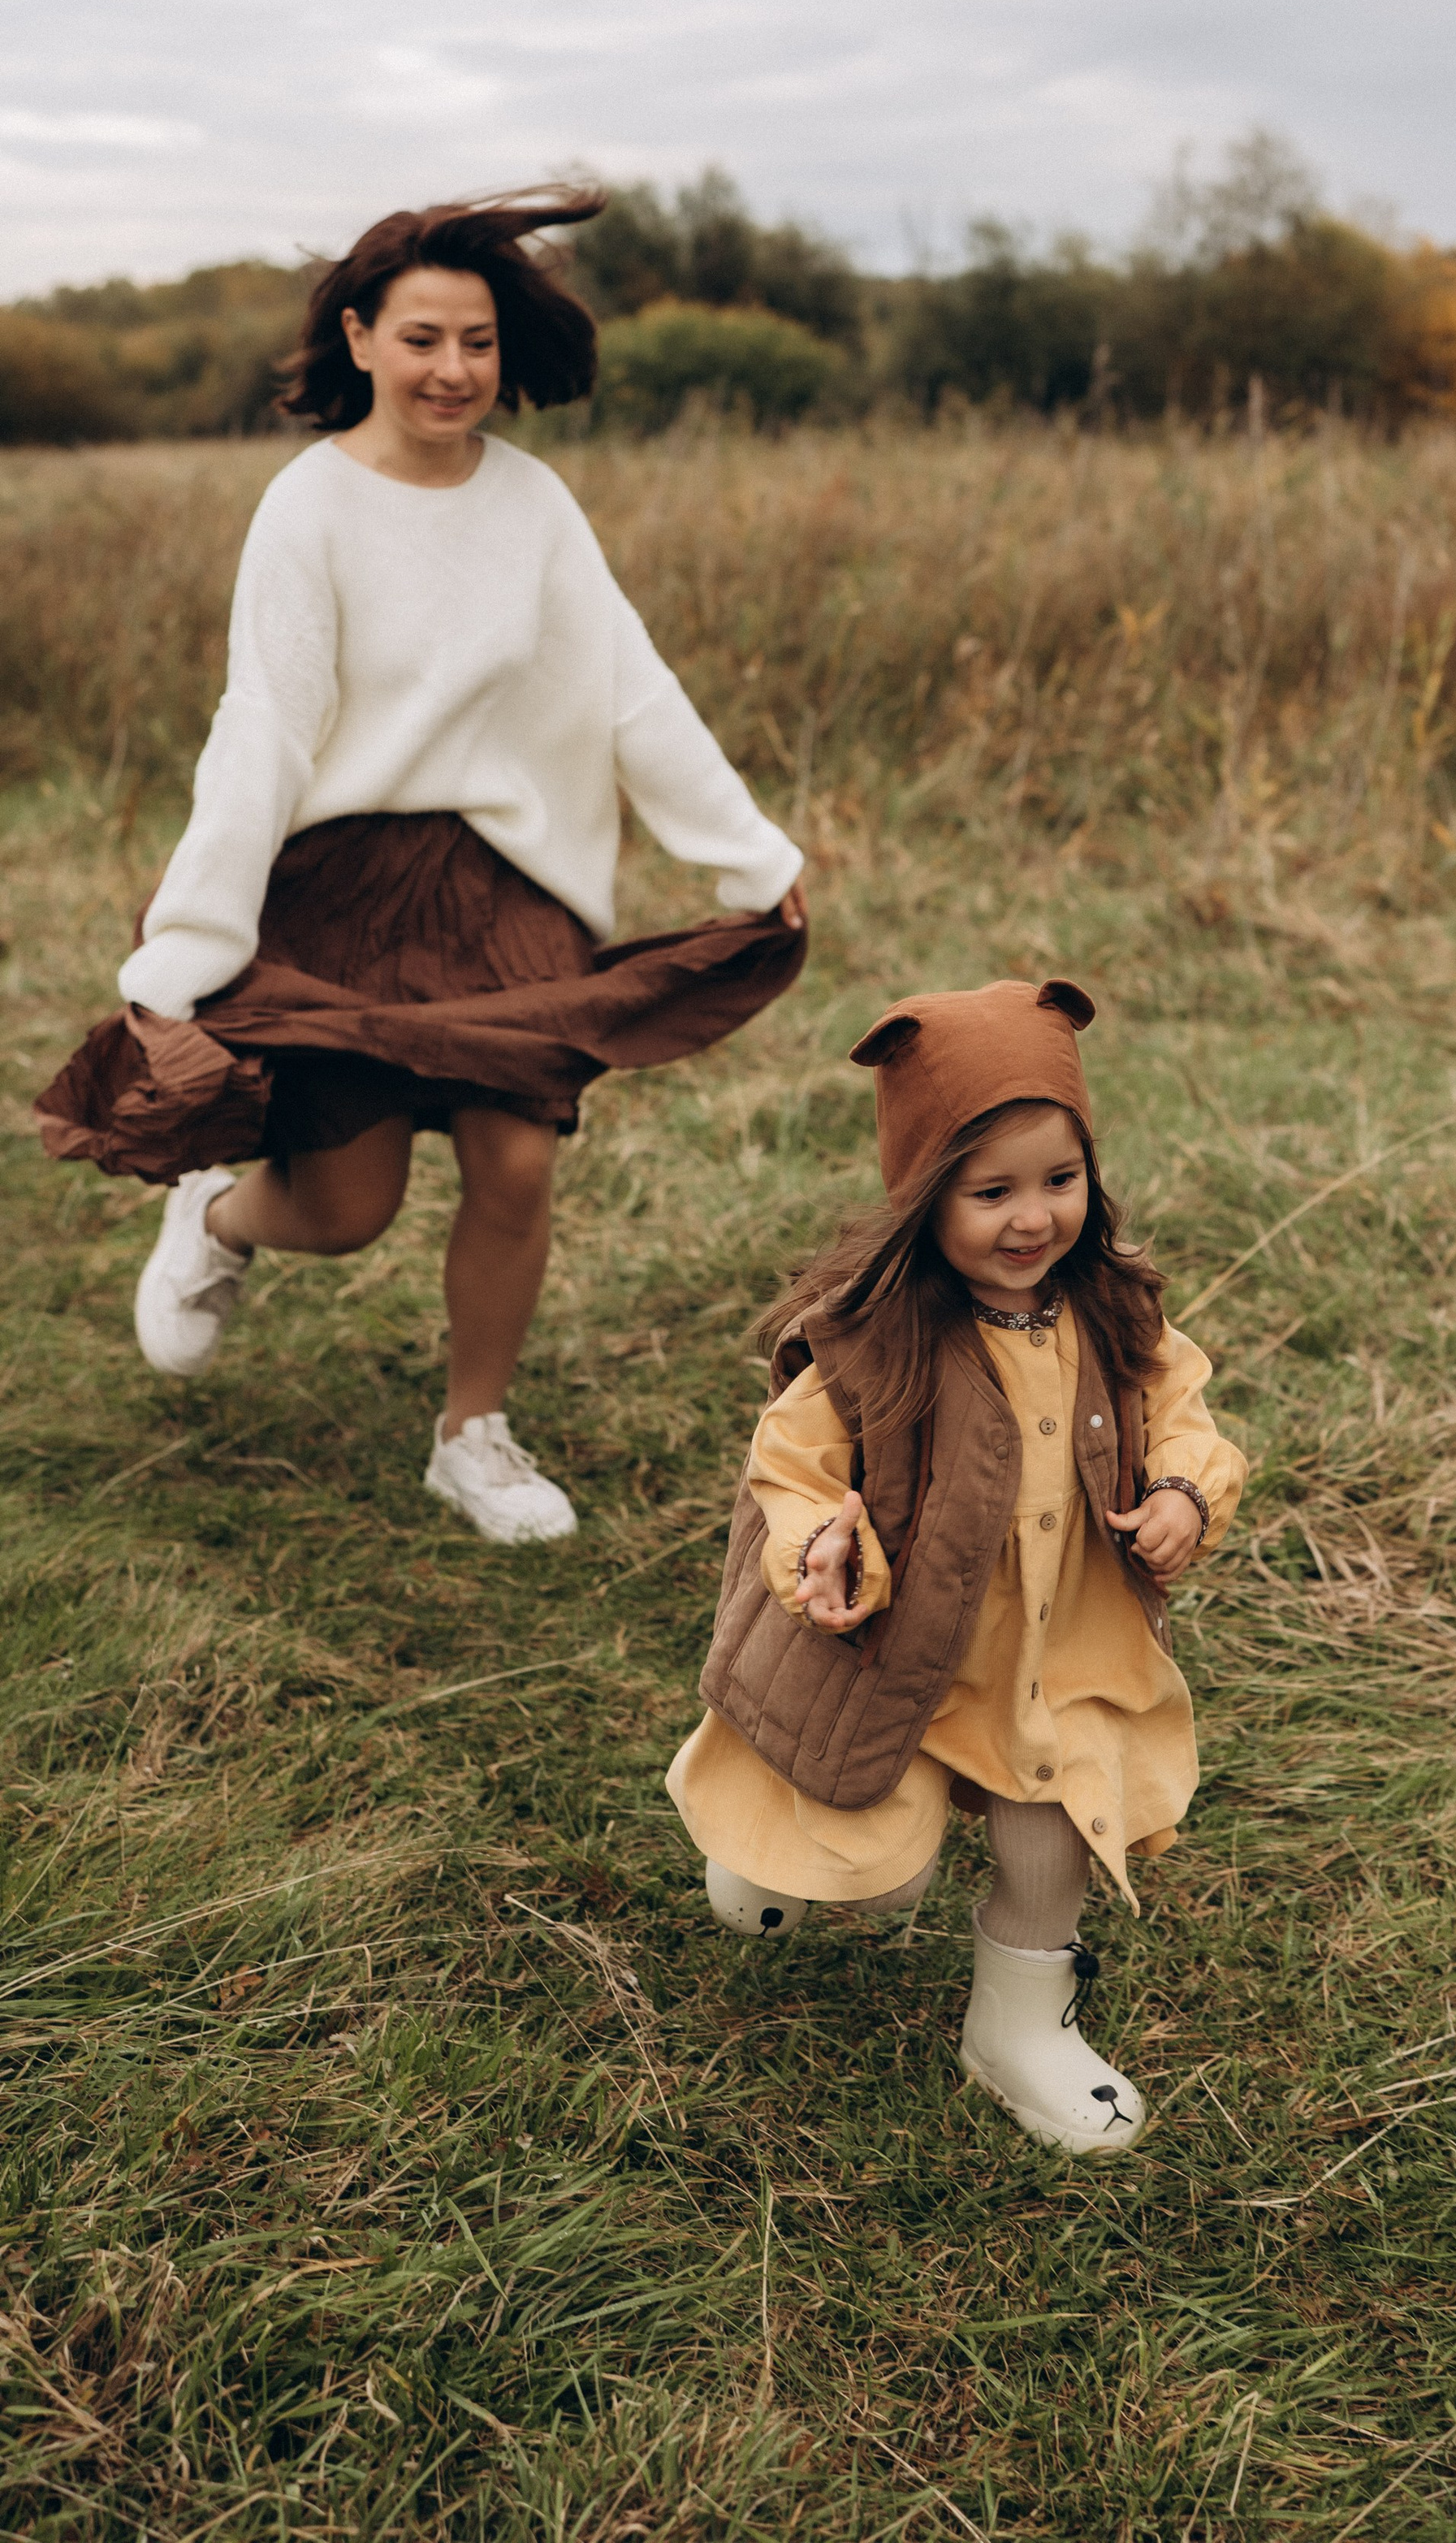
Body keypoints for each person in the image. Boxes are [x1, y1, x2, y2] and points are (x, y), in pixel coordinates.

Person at [38, 190, 806, 1546]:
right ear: (359, 336)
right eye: (423, 339)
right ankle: (220, 1221)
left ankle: (474, 1436)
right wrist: (193, 941)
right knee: (348, 1207)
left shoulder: (536, 503)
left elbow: (628, 692)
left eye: (479, 341)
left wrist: (747, 856)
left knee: (517, 1160)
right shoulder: (308, 507)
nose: (454, 370)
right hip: (341, 886)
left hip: (508, 884)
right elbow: (265, 725)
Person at [667, 976, 1245, 2156]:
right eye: (992, 1192)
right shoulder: (879, 1339)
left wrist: (1187, 1488)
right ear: (926, 1197)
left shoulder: (1115, 1313)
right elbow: (791, 1462)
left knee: (1053, 1827)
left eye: (1059, 1181)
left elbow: (1186, 1409)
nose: (1032, 1218)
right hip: (904, 1652)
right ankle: (761, 1846)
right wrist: (816, 1539)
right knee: (873, 1880)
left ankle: (1018, 2028)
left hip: (1058, 1646)